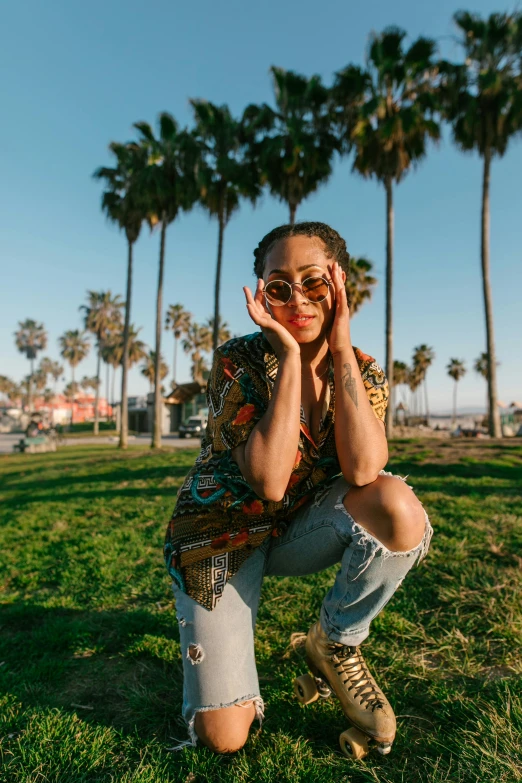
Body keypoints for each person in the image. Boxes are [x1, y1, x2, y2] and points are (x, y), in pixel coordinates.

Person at [164, 222, 432, 756]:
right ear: (261, 293)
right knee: (224, 737)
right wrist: (290, 358)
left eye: (314, 283)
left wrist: (340, 350)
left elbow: (363, 470)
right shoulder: (236, 361)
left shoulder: (360, 370)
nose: (299, 300)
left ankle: (334, 640)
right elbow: (267, 479)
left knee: (396, 506)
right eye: (279, 286)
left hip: (296, 528)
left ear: (338, 286)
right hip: (221, 537)